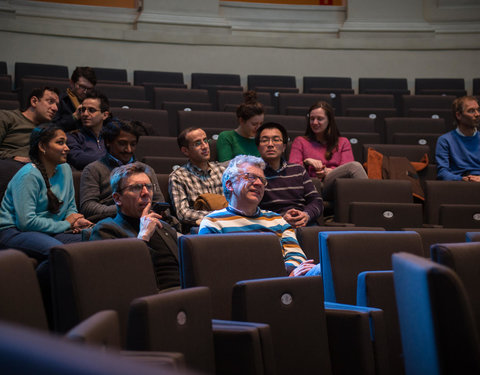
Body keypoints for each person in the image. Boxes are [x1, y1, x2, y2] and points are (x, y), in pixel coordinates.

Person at [0, 124, 93, 321]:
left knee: (94, 242)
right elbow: (26, 222)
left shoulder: (65, 169)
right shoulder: (28, 175)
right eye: (60, 143)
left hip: (48, 230)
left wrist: (76, 221)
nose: (67, 148)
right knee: (60, 254)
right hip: (13, 231)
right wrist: (66, 225)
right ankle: (35, 304)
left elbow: (69, 207)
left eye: (66, 142)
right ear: (42, 147)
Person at [199, 154, 320, 277]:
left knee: (326, 268)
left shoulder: (277, 220)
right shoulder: (213, 222)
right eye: (250, 177)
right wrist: (282, 272)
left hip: (287, 284)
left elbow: (297, 257)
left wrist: (289, 274)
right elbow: (216, 268)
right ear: (230, 185)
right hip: (241, 287)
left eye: (262, 180)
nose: (259, 183)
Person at [90, 162, 180, 291]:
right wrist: (144, 235)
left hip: (186, 293)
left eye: (149, 187)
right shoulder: (106, 230)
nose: (145, 193)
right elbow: (123, 279)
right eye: (136, 188)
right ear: (117, 198)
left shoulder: (164, 227)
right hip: (149, 300)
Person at [80, 119, 165, 223]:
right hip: (112, 223)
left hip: (147, 221)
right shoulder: (93, 169)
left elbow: (159, 202)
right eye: (122, 143)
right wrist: (128, 208)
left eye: (133, 144)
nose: (128, 150)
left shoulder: (146, 169)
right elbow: (88, 207)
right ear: (108, 142)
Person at [288, 101, 367, 201]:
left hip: (336, 185)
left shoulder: (343, 142)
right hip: (311, 185)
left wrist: (326, 172)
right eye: (312, 119)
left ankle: (368, 204)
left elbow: (346, 170)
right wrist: (306, 162)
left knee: (354, 167)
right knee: (355, 166)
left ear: (329, 121)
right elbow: (292, 171)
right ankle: (371, 202)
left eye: (320, 119)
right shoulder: (300, 141)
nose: (315, 122)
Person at [256, 122, 323, 227]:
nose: (270, 144)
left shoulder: (298, 170)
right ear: (258, 147)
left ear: (283, 147)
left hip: (304, 223)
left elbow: (316, 201)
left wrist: (306, 215)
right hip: (272, 226)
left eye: (276, 140)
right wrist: (281, 219)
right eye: (264, 140)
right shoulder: (254, 174)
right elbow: (252, 208)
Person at [169, 127, 225, 230]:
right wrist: (218, 216)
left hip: (227, 224)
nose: (205, 146)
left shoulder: (222, 171)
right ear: (185, 151)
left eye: (205, 141)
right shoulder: (179, 176)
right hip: (200, 229)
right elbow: (183, 213)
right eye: (198, 143)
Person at [0, 86, 59, 163]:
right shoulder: (7, 117)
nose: (55, 108)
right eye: (50, 101)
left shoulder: (47, 130)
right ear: (34, 101)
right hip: (10, 165)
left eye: (57, 104)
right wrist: (13, 158)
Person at [436, 96, 480, 181]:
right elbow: (442, 172)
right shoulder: (445, 140)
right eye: (471, 111)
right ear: (459, 115)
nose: (477, 114)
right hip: (459, 184)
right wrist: (463, 179)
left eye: (478, 110)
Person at [66, 90, 110, 170]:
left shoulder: (111, 136)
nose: (85, 114)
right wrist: (111, 161)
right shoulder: (73, 136)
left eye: (91, 110)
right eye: (83, 110)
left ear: (105, 115)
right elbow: (78, 159)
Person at [216, 91, 264, 162]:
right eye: (254, 124)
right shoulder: (227, 137)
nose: (258, 128)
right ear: (241, 121)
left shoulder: (262, 139)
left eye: (261, 123)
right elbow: (225, 166)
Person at [53, 66, 97, 132]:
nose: (85, 92)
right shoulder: (60, 100)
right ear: (71, 83)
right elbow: (52, 128)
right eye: (82, 87)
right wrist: (74, 117)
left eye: (89, 89)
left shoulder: (95, 101)